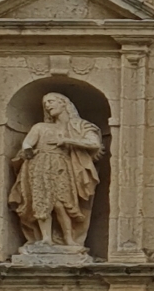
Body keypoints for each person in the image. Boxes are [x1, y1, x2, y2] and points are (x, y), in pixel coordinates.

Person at [11, 91, 103, 250]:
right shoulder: (40, 127)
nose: (47, 105)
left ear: (64, 103)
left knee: (62, 203)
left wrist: (66, 140)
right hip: (40, 165)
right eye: (45, 103)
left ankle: (69, 238)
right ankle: (46, 238)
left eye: (51, 101)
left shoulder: (79, 126)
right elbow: (27, 143)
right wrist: (28, 151)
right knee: (41, 201)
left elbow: (94, 144)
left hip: (63, 167)